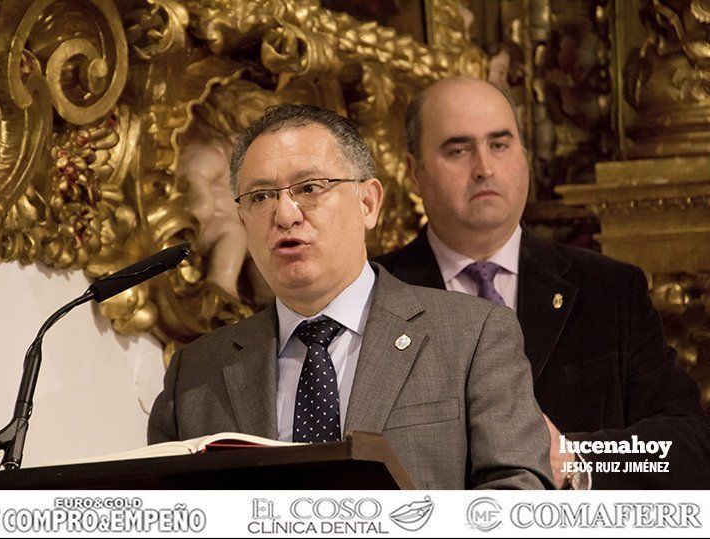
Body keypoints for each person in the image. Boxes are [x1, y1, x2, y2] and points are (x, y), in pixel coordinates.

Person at [149, 103, 554, 489]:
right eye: (261, 197)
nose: (285, 215)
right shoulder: (196, 373)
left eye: (309, 188)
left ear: (368, 203)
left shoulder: (473, 335)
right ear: (242, 220)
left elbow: (518, 495)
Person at [376, 76, 710, 489]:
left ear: (524, 156)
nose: (484, 168)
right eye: (458, 150)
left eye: (500, 144)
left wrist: (579, 459)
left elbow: (690, 444)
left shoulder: (609, 290)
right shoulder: (374, 295)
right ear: (414, 173)